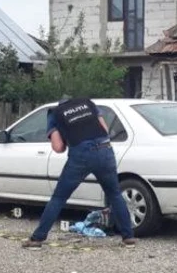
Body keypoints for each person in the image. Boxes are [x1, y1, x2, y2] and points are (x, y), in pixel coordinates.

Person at [22, 97, 137, 250]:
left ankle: (37, 239)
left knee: (58, 198)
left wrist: (67, 140)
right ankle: (128, 238)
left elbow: (58, 147)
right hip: (105, 150)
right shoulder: (88, 103)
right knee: (115, 194)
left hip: (81, 155)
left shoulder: (54, 113)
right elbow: (105, 130)